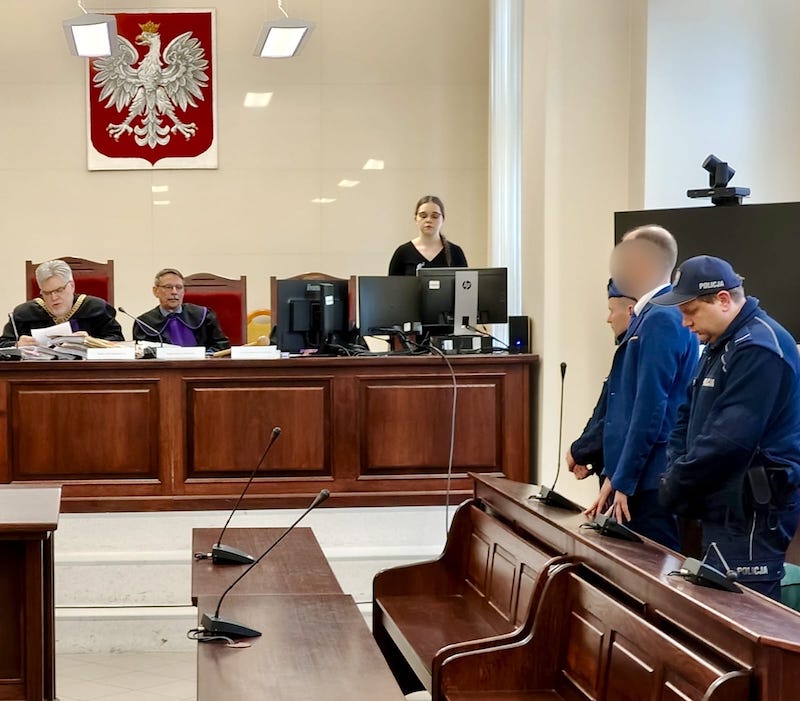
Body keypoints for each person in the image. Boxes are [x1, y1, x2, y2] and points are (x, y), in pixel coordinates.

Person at [655, 255, 800, 600]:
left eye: (690, 311)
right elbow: (685, 417)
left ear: (722, 300)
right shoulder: (718, 344)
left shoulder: (760, 347)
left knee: (745, 614)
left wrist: (675, 486)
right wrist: (674, 474)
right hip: (719, 504)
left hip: (751, 512)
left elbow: (729, 441)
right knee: (716, 609)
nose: (685, 322)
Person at [583, 230, 699, 550]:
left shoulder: (662, 317)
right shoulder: (648, 314)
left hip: (649, 477)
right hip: (634, 473)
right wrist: (614, 474)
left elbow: (650, 407)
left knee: (652, 568)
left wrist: (625, 479)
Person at [567, 279, 636, 482]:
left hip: (622, 472)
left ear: (630, 310)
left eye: (611, 310)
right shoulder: (624, 351)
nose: (608, 319)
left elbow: (621, 416)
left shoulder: (635, 352)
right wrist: (586, 454)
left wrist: (579, 451)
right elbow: (602, 411)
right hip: (607, 467)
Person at [0, 259, 123, 347]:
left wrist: (91, 341)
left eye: (59, 290)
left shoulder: (96, 308)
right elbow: (3, 344)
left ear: (72, 286)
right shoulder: (24, 314)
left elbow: (118, 341)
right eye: (47, 293)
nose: (54, 297)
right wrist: (17, 345)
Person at [133, 269, 230, 352]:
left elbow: (221, 346)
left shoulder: (204, 316)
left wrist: (203, 358)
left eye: (179, 287)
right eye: (168, 287)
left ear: (184, 291)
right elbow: (142, 354)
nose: (174, 292)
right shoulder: (144, 323)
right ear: (155, 291)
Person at [388, 195, 468, 276]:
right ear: (416, 219)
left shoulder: (455, 252)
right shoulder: (402, 252)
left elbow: (465, 282)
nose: (429, 220)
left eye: (435, 216)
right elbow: (392, 283)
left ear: (442, 219)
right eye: (423, 216)